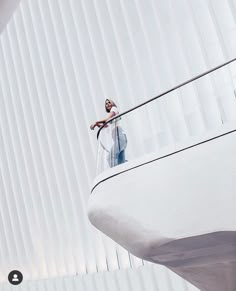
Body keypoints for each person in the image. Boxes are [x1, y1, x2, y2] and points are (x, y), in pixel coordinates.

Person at [90, 99, 127, 167]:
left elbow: (107, 120)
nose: (107, 104)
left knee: (110, 158)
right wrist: (96, 125)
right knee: (121, 163)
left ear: (112, 103)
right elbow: (106, 126)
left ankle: (116, 174)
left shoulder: (114, 109)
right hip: (119, 139)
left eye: (109, 102)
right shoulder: (112, 116)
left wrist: (96, 122)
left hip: (119, 138)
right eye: (106, 104)